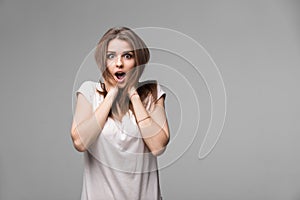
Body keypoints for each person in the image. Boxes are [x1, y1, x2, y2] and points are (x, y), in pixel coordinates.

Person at [70, 27, 170, 200]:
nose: (119, 63)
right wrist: (112, 94)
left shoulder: (152, 93)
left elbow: (158, 146)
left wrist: (133, 94)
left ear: (137, 62)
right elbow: (80, 141)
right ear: (103, 62)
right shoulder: (89, 91)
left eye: (127, 56)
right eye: (111, 56)